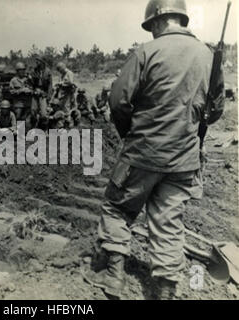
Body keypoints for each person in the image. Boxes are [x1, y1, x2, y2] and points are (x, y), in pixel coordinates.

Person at [84, 0, 225, 300]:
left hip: (143, 152)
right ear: (181, 19)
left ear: (159, 22)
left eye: (151, 28)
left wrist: (129, 134)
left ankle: (113, 278)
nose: (151, 33)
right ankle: (164, 289)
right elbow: (215, 111)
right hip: (184, 160)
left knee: (118, 208)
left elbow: (118, 102)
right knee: (169, 222)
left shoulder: (146, 52)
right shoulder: (209, 57)